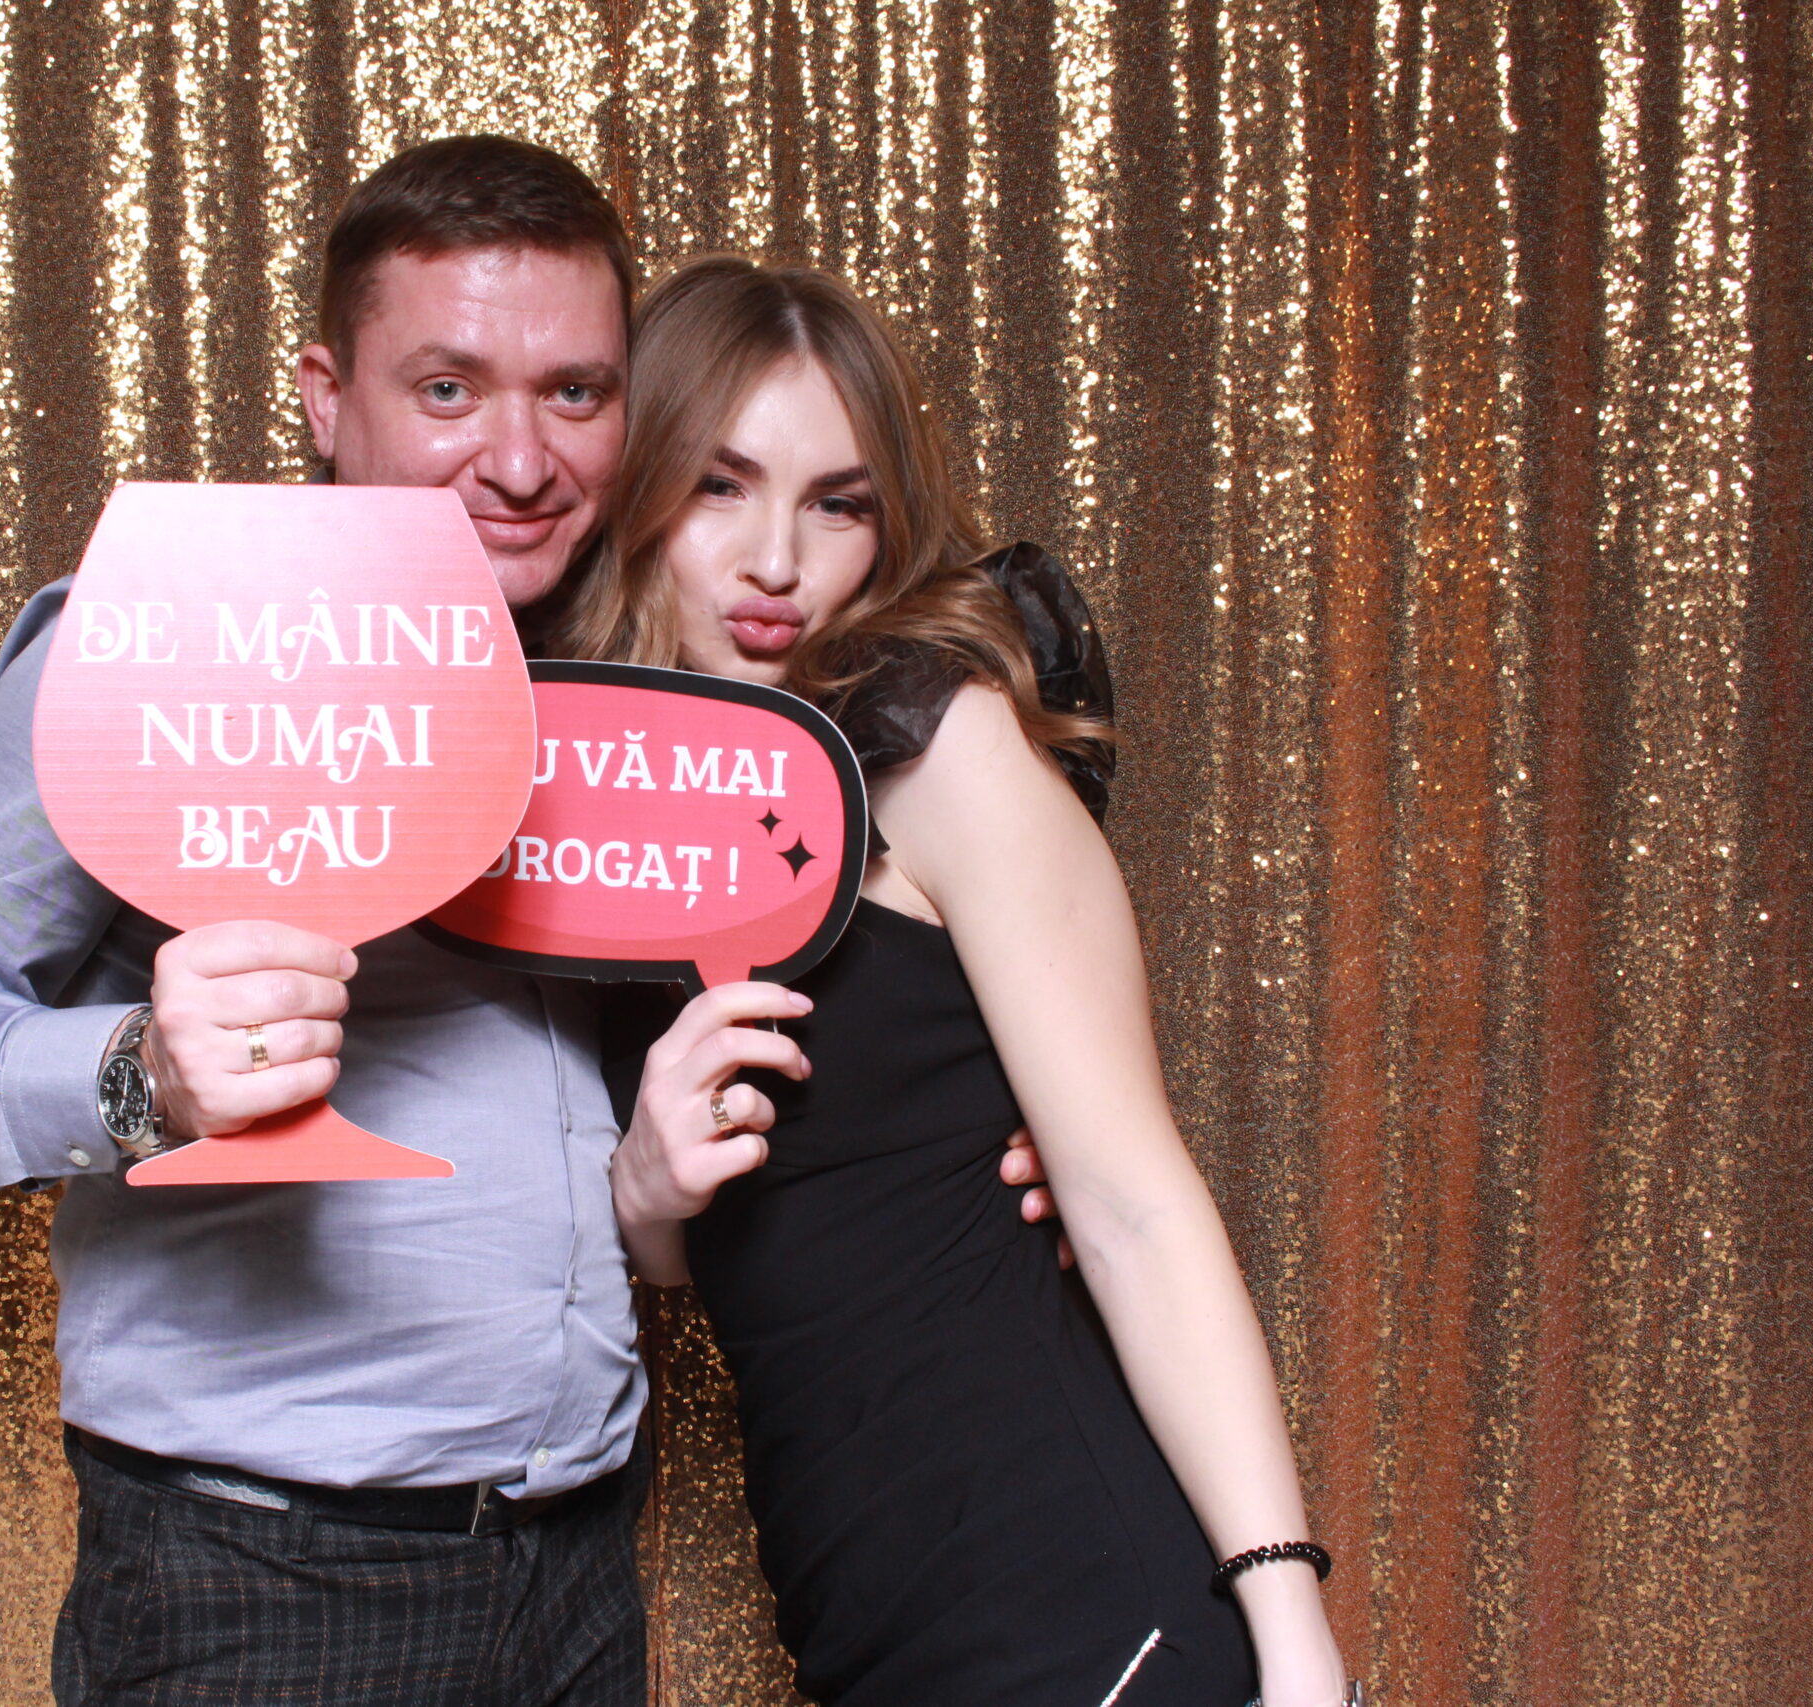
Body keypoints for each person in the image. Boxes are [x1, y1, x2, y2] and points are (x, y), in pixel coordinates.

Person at [0, 139, 1069, 1706]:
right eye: (448, 390)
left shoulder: (645, 692)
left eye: (576, 393)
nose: (521, 461)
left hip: (577, 1565)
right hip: (261, 1583)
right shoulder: (158, 648)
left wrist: (1012, 1112)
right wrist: (147, 1075)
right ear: (325, 396)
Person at [571, 258, 1356, 1706]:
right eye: (721, 487)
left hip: (1071, 1599)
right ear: (640, 490)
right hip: (862, 1604)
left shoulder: (937, 748)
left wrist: (1292, 1632)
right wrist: (642, 1195)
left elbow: (1132, 1205)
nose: (776, 562)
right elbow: (737, 1245)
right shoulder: (609, 825)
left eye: (838, 503)